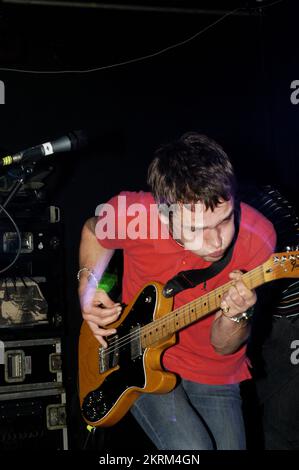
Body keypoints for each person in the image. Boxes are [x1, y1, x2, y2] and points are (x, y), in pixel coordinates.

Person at [78, 132, 276, 450]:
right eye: (196, 229)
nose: (216, 242)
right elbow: (93, 231)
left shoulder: (259, 237)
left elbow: (224, 347)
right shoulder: (134, 214)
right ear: (164, 213)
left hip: (213, 368)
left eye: (224, 221)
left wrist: (237, 315)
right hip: (134, 358)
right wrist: (88, 289)